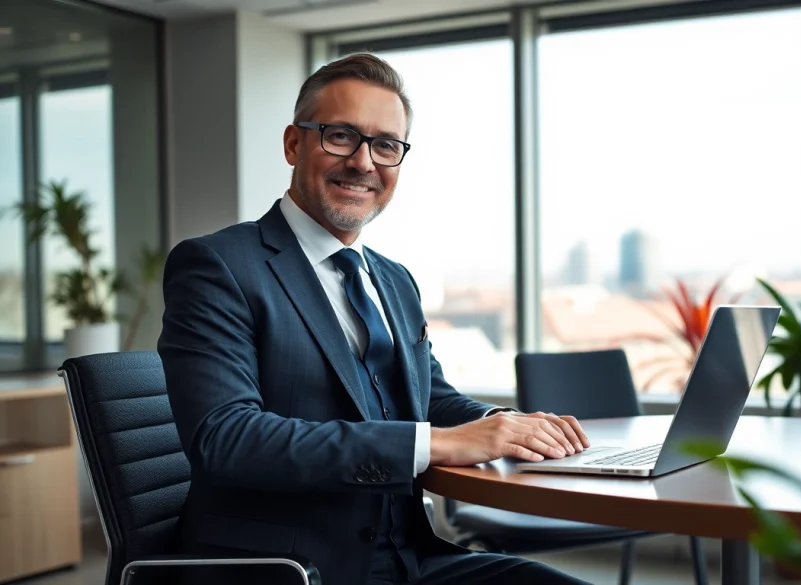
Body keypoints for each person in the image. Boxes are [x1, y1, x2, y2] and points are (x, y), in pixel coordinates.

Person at [158, 52, 594, 585]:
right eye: (340, 136)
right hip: (289, 569)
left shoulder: (393, 279)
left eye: (385, 145)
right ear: (294, 144)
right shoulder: (218, 265)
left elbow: (430, 398)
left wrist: (510, 427)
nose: (364, 162)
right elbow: (226, 440)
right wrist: (436, 443)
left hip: (412, 558)